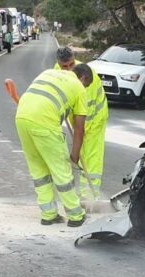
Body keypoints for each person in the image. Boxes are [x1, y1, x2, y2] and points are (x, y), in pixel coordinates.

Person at [15, 64, 93, 227]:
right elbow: (79, 130)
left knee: (38, 171)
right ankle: (76, 215)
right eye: (86, 85)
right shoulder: (79, 87)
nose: (85, 88)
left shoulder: (49, 72)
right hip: (45, 123)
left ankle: (48, 214)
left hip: (21, 118)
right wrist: (74, 157)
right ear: (83, 78)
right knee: (62, 172)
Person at [54, 47, 109, 201]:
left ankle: (90, 195)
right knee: (80, 153)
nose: (68, 69)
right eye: (64, 66)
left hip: (94, 118)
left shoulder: (85, 77)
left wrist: (81, 135)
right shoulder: (56, 70)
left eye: (71, 65)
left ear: (74, 60)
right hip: (77, 118)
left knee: (91, 157)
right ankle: (83, 193)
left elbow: (85, 112)